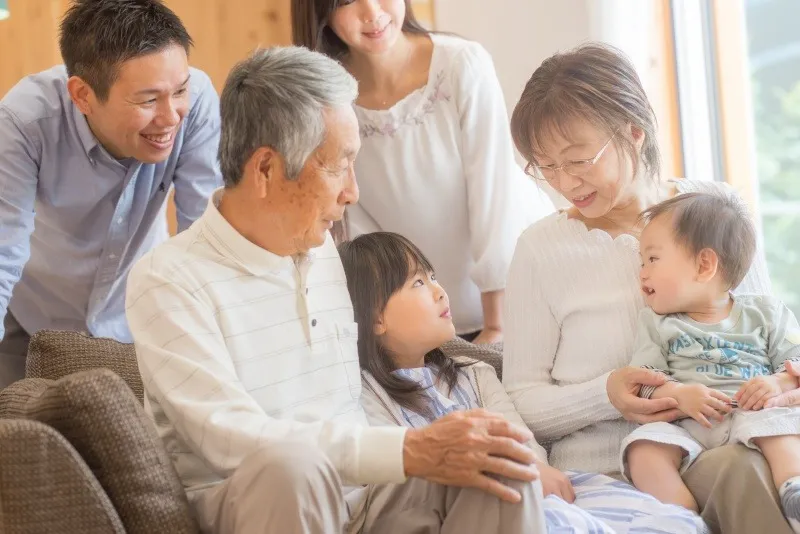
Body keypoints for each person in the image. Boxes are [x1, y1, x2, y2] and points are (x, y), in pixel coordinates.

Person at [126, 46, 547, 534]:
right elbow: (232, 441)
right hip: (259, 502)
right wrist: (408, 448)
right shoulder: (168, 281)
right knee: (292, 465)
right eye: (336, 167)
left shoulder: (323, 248)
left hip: (367, 499)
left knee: (496, 458)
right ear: (265, 170)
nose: (353, 192)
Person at [502, 42, 800, 534]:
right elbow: (521, 398)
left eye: (577, 160)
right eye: (545, 166)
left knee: (747, 464)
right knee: (740, 471)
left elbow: (766, 331)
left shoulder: (716, 209)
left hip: (735, 432)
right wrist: (607, 393)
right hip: (617, 469)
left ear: (633, 132)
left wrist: (786, 384)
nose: (564, 182)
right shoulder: (541, 250)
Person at [340, 230, 710, 534]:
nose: (440, 291)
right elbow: (392, 484)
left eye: (434, 277)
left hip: (532, 485)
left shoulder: (474, 373)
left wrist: (537, 468)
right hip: (470, 509)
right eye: (418, 283)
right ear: (375, 319)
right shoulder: (366, 394)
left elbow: (520, 436)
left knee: (666, 521)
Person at [292, 0, 554, 343]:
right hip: (430, 321)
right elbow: (357, 227)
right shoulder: (327, 102)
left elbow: (494, 195)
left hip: (520, 296)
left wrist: (497, 326)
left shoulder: (461, 64)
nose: (372, 11)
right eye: (346, 0)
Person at [0, 0, 221, 388]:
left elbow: (205, 237)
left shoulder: (198, 100)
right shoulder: (23, 123)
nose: (171, 117)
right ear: (82, 95)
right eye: (148, 99)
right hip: (35, 322)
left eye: (179, 90)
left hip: (140, 320)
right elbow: (2, 254)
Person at [619, 193, 800, 531]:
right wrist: (678, 394)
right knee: (642, 448)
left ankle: (793, 487)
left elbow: (797, 364)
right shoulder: (656, 323)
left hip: (754, 412)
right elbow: (644, 382)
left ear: (704, 265)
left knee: (781, 426)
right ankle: (682, 517)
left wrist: (777, 384)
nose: (642, 274)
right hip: (690, 427)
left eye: (652, 259)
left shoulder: (766, 312)